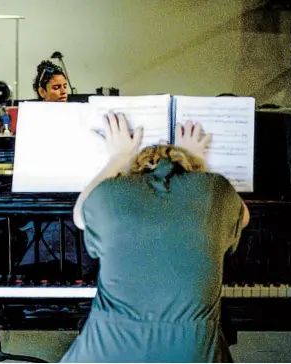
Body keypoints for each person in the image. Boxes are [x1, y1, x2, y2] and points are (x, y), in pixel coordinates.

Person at [61, 115, 250, 362]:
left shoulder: (108, 194)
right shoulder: (216, 191)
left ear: (135, 169)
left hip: (108, 351)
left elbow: (78, 214)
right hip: (192, 353)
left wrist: (117, 157)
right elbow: (244, 217)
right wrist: (198, 161)